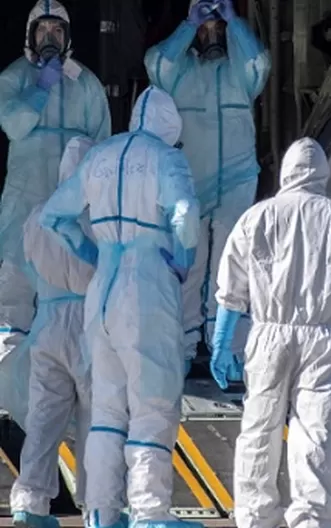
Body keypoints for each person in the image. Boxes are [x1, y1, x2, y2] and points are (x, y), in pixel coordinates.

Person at [39, 86, 200, 528]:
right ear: (172, 128)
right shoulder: (168, 158)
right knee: (153, 402)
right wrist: (183, 261)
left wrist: (95, 255)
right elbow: (185, 213)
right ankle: (149, 511)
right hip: (147, 288)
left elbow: (54, 215)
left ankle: (102, 510)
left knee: (108, 409)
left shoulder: (99, 157)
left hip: (102, 291)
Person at [209, 138, 331, 528]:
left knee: (259, 429)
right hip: (324, 340)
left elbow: (230, 287)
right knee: (315, 433)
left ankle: (256, 518)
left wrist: (221, 343)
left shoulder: (257, 217)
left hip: (268, 337)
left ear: (285, 171)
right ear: (323, 173)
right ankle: (311, 519)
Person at [145, 0, 271, 373]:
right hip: (192, 180)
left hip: (236, 180)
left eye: (216, 28)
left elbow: (259, 64)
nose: (211, 34)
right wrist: (187, 24)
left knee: (231, 267)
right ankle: (183, 351)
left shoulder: (239, 72)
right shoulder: (181, 72)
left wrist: (235, 24)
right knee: (189, 267)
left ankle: (228, 350)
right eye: (206, 28)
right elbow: (157, 65)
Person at [0, 0, 110, 366]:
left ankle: (71, 370)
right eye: (43, 30)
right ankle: (9, 377)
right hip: (24, 198)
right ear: (31, 35)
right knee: (16, 285)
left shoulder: (86, 83)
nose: (50, 37)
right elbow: (13, 124)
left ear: (67, 37)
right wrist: (41, 88)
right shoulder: (14, 78)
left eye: (58, 31)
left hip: (71, 206)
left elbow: (101, 145)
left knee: (73, 282)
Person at [9, 136, 96, 528]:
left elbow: (26, 267)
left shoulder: (36, 215)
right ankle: (101, 506)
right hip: (89, 323)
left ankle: (29, 501)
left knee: (44, 419)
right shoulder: (96, 216)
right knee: (99, 419)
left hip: (46, 321)